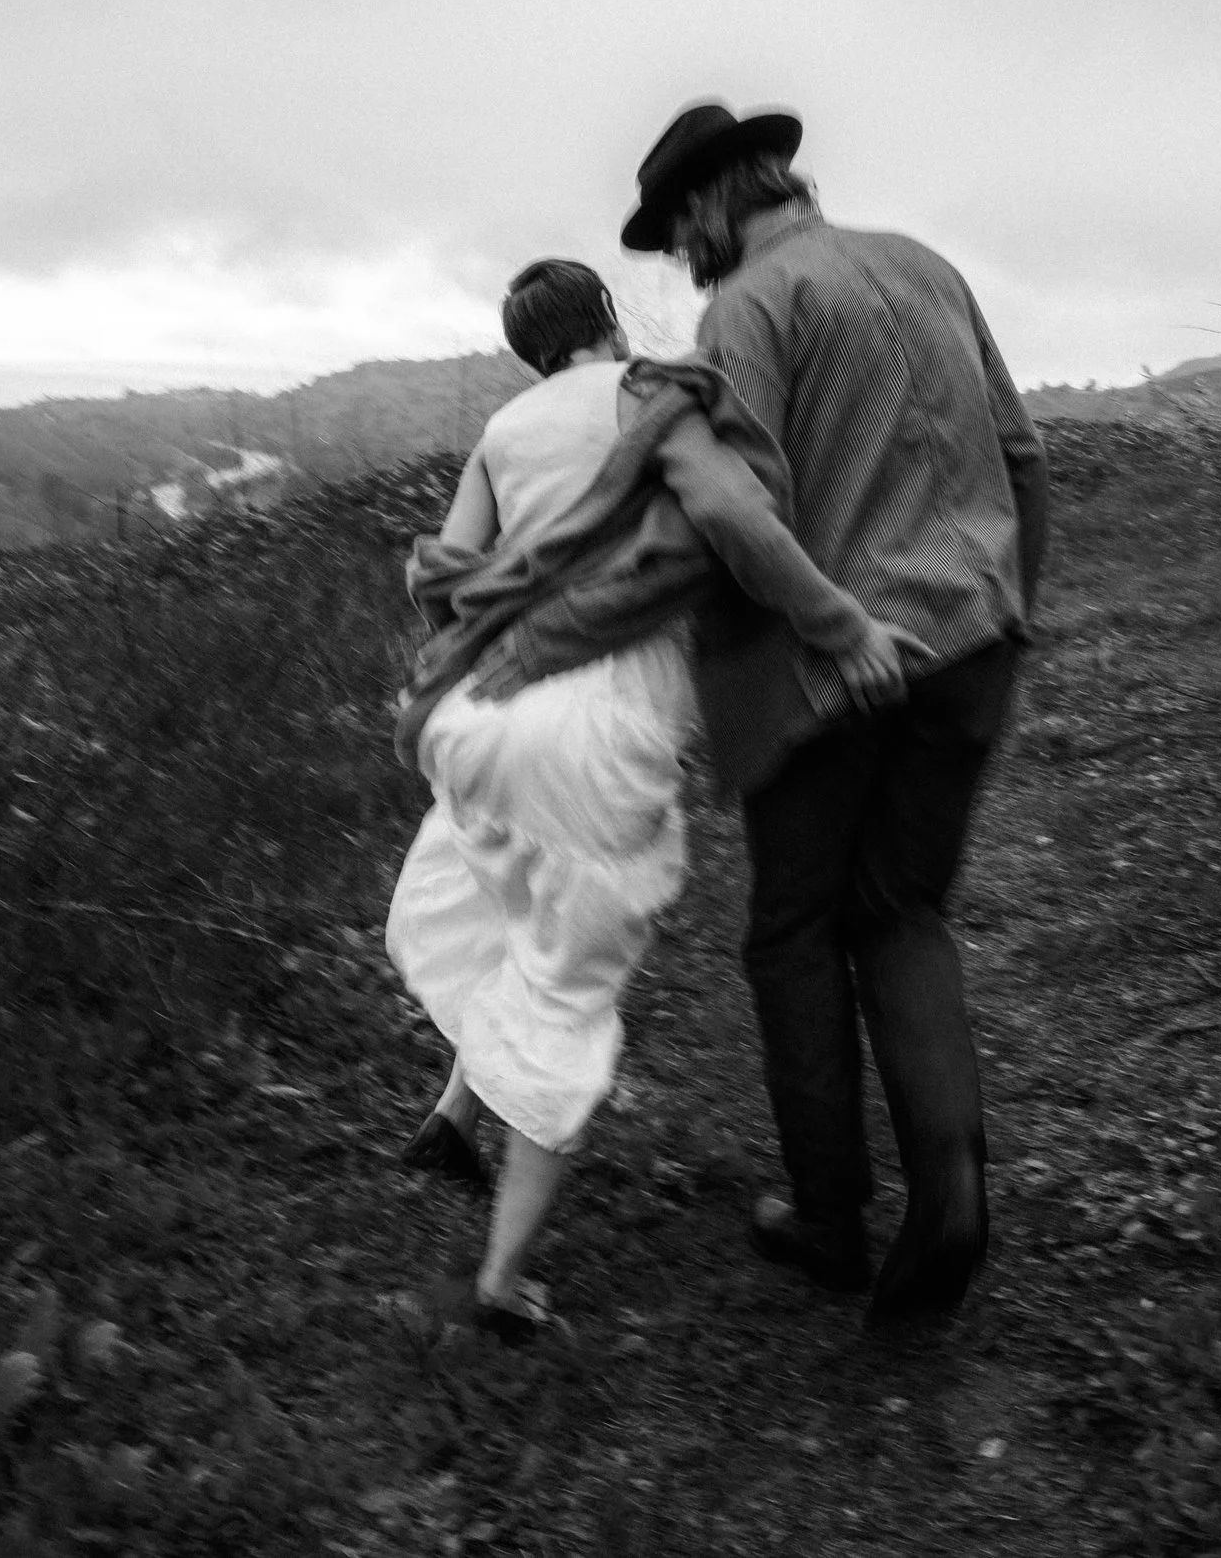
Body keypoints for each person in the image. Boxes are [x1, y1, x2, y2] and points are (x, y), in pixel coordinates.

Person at [383, 258, 920, 1342]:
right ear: (610, 318)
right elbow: (732, 520)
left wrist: (528, 581)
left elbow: (438, 572)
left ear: (524, 349)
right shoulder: (652, 395)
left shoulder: (503, 429)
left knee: (500, 904)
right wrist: (837, 625)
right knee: (567, 988)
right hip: (600, 722)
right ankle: (500, 1280)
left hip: (480, 711)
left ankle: (450, 1112)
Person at [618, 100, 1050, 1327]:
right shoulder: (925, 264)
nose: (676, 256)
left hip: (838, 666)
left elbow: (740, 508)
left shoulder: (747, 308)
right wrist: (1007, 605)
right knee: (901, 908)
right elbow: (1021, 458)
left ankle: (828, 1212)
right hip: (971, 640)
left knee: (795, 928)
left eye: (674, 230)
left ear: (712, 203)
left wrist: (832, 627)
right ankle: (951, 1193)